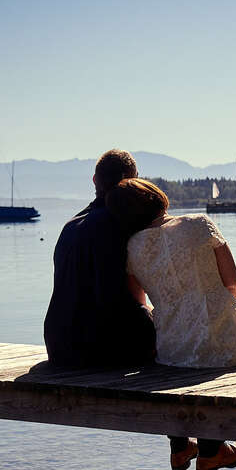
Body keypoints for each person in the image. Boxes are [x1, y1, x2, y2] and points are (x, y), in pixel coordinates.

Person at [105, 178, 236, 470]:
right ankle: (214, 450)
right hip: (218, 334)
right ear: (156, 197)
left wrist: (176, 319)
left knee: (192, 367)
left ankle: (182, 448)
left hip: (172, 347)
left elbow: (140, 303)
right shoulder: (199, 224)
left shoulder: (133, 247)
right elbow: (232, 283)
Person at [44, 149, 156, 367]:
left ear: (95, 180)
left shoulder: (70, 226)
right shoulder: (122, 221)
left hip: (58, 345)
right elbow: (133, 297)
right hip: (100, 346)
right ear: (133, 181)